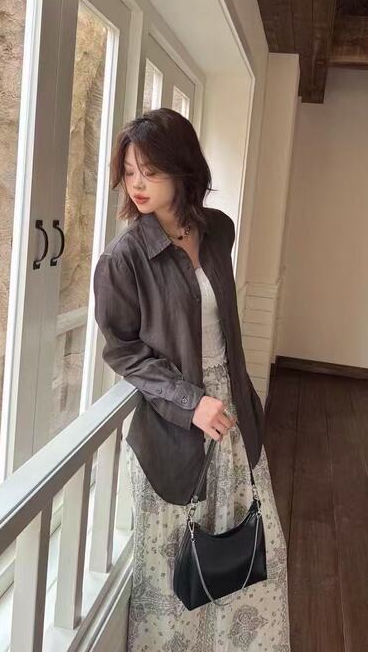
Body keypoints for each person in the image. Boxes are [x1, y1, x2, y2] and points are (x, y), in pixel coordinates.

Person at [92, 108, 291, 650]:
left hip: (234, 416)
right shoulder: (123, 259)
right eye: (129, 171)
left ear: (182, 169)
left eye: (150, 171)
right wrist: (190, 402)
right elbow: (123, 351)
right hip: (176, 426)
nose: (136, 184)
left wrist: (233, 400)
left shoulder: (218, 230)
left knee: (250, 545)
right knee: (178, 567)